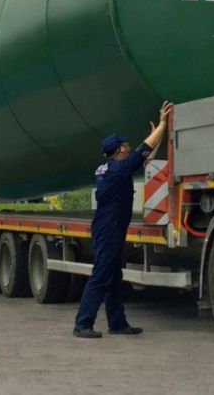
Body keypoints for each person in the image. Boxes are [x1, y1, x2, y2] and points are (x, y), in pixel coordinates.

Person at [73, 100, 173, 338]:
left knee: (114, 276)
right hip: (109, 228)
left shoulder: (108, 168)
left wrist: (154, 136)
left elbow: (141, 155)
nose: (129, 147)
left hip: (109, 226)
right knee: (101, 275)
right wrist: (162, 124)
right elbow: (143, 153)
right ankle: (83, 323)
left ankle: (117, 322)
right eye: (126, 145)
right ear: (119, 150)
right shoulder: (118, 171)